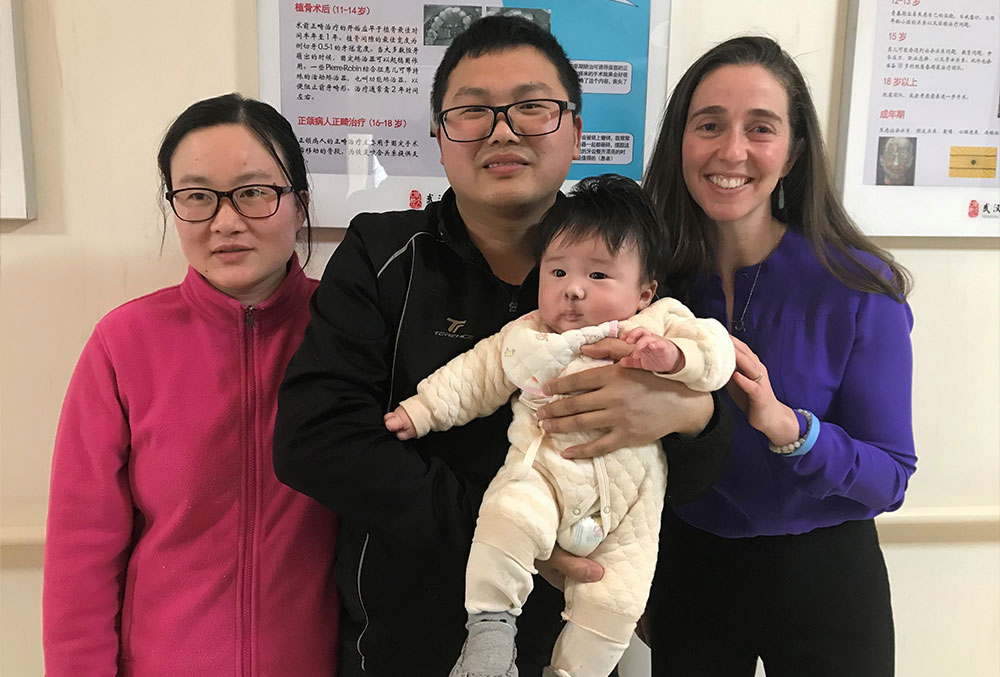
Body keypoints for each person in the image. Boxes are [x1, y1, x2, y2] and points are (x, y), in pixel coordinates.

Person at [273, 15, 731, 677]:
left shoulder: (629, 262)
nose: (502, 129)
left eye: (532, 107)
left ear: (575, 129)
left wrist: (690, 416)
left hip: (569, 635)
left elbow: (701, 459)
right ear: (439, 134)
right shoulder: (382, 254)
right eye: (472, 111)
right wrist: (510, 529)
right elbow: (315, 439)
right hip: (403, 641)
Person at [382, 175, 735, 677]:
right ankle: (489, 634)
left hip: (630, 506)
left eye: (598, 276)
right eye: (559, 271)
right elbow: (472, 377)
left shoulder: (659, 323)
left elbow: (716, 352)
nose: (573, 288)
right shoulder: (527, 335)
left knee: (615, 603)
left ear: (644, 292)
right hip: (543, 476)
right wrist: (419, 411)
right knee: (505, 519)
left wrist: (676, 357)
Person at [642, 35, 916, 676]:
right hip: (690, 570)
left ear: (793, 152)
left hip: (826, 577)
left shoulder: (857, 286)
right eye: (708, 125)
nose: (730, 151)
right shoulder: (648, 282)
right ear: (681, 139)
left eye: (759, 128)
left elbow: (891, 476)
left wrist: (793, 432)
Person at [42, 94, 340, 676]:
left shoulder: (351, 330)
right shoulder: (123, 343)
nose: (226, 221)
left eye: (254, 192)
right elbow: (82, 554)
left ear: (299, 205)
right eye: (198, 197)